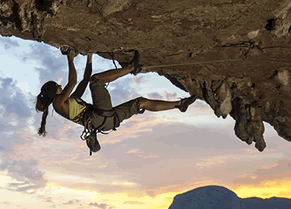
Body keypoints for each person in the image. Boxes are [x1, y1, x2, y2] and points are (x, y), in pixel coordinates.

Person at [35, 47, 197, 153]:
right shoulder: (58, 104)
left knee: (141, 102)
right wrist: (70, 59)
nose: (60, 86)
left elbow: (84, 80)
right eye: (57, 86)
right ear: (53, 92)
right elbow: (73, 81)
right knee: (96, 81)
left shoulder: (71, 101)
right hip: (99, 117)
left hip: (107, 121)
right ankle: (132, 67)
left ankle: (180, 104)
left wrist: (89, 57)